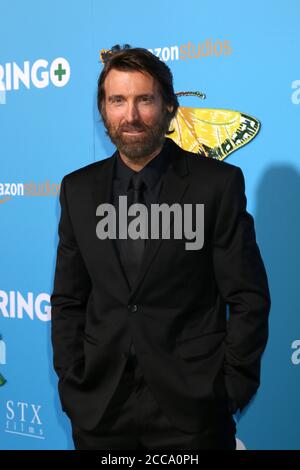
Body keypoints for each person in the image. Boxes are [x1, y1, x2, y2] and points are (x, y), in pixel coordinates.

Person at [50, 45, 271, 450]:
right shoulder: (77, 190)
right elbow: (68, 298)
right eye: (117, 100)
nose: (130, 116)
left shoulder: (215, 185)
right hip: (101, 409)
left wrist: (228, 391)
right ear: (103, 109)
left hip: (192, 413)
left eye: (143, 100)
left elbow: (248, 297)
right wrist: (72, 381)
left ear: (168, 106)